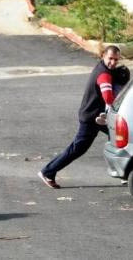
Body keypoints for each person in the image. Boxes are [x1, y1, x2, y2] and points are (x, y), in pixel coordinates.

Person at [38, 45, 121, 189]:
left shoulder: (102, 68)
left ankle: (125, 172)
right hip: (92, 117)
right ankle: (48, 171)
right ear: (103, 56)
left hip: (97, 116)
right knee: (78, 148)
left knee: (120, 138)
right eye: (110, 59)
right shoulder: (104, 75)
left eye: (116, 60)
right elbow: (108, 97)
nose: (113, 62)